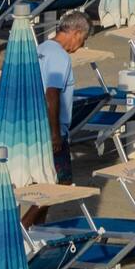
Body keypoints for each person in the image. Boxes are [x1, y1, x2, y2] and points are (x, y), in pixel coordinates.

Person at [23, 12, 90, 227]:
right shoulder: (60, 56)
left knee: (45, 185)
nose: (80, 46)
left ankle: (36, 230)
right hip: (50, 128)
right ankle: (23, 227)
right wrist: (55, 134)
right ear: (76, 33)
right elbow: (52, 93)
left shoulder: (40, 49)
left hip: (32, 126)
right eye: (83, 40)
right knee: (60, 183)